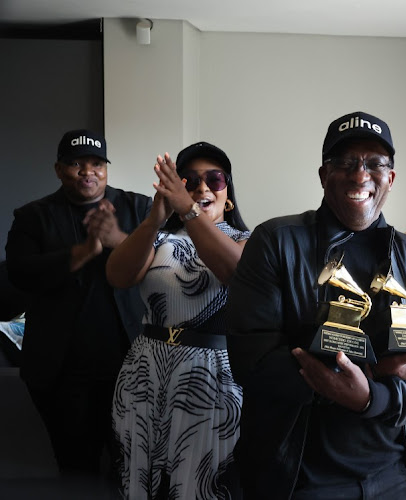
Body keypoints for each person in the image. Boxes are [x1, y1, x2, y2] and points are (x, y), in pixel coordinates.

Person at [226, 111, 406, 500]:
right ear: (323, 175)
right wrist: (350, 381)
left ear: (391, 178)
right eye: (345, 162)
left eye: (374, 164)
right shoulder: (276, 242)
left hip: (394, 474)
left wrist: (372, 397)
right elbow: (251, 359)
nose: (360, 175)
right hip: (299, 475)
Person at [106, 142, 250, 499]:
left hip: (209, 377)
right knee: (142, 477)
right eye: (190, 180)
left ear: (228, 196)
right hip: (145, 371)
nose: (202, 188)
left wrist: (188, 211)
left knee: (199, 480)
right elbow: (118, 275)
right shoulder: (158, 238)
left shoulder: (249, 240)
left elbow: (234, 271)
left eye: (215, 179)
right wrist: (155, 217)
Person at [5, 129, 151, 478]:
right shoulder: (32, 216)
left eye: (97, 163)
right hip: (61, 373)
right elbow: (19, 273)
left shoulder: (138, 207)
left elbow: (168, 260)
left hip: (131, 367)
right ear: (58, 170)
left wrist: (119, 240)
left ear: (106, 168)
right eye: (75, 164)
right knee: (76, 468)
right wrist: (82, 253)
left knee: (133, 465)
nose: (88, 171)